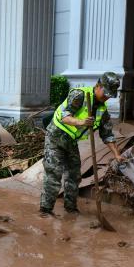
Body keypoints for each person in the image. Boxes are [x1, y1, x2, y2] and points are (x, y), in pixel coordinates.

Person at [40, 72, 124, 216]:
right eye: (105, 93)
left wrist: (117, 155)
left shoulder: (103, 111)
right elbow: (64, 116)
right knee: (54, 173)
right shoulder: (80, 95)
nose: (107, 97)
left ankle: (70, 208)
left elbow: (108, 135)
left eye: (110, 95)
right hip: (55, 136)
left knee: (74, 174)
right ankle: (46, 210)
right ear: (98, 86)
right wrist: (82, 122)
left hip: (71, 141)